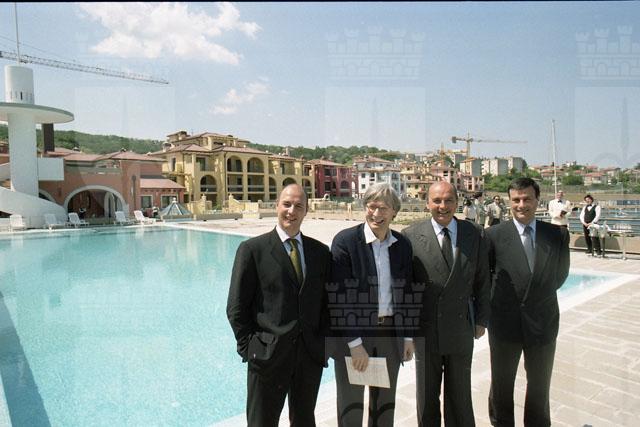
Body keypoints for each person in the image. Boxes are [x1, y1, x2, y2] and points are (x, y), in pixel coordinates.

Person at [226, 184, 331, 427]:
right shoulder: (252, 250)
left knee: (305, 421)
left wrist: (322, 344)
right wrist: (251, 348)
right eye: (287, 204)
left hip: (309, 357)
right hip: (267, 357)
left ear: (306, 211)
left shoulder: (320, 252)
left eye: (298, 206)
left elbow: (327, 304)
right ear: (276, 206)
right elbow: (236, 307)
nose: (291, 211)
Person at [403, 181, 490, 426]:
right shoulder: (410, 235)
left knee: (460, 396)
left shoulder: (475, 233)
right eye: (437, 201)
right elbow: (406, 288)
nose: (443, 206)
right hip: (426, 329)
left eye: (449, 200)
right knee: (427, 397)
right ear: (427, 203)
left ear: (457, 202)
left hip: (461, 327)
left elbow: (483, 279)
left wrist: (481, 319)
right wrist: (407, 332)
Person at [328, 183, 415, 427]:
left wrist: (408, 337)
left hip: (389, 336)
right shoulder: (345, 242)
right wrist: (355, 344)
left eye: (383, 208)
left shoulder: (402, 245)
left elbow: (406, 291)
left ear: (394, 212)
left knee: (383, 407)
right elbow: (339, 298)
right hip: (354, 339)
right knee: (351, 408)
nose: (376, 214)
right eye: (371, 206)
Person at [486, 177, 570, 427]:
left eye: (527, 199)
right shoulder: (492, 235)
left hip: (543, 322)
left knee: (539, 386)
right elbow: (486, 278)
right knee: (501, 384)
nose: (521, 205)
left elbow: (560, 275)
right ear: (509, 201)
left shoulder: (556, 235)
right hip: (504, 325)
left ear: (537, 200)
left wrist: (536, 298)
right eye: (516, 200)